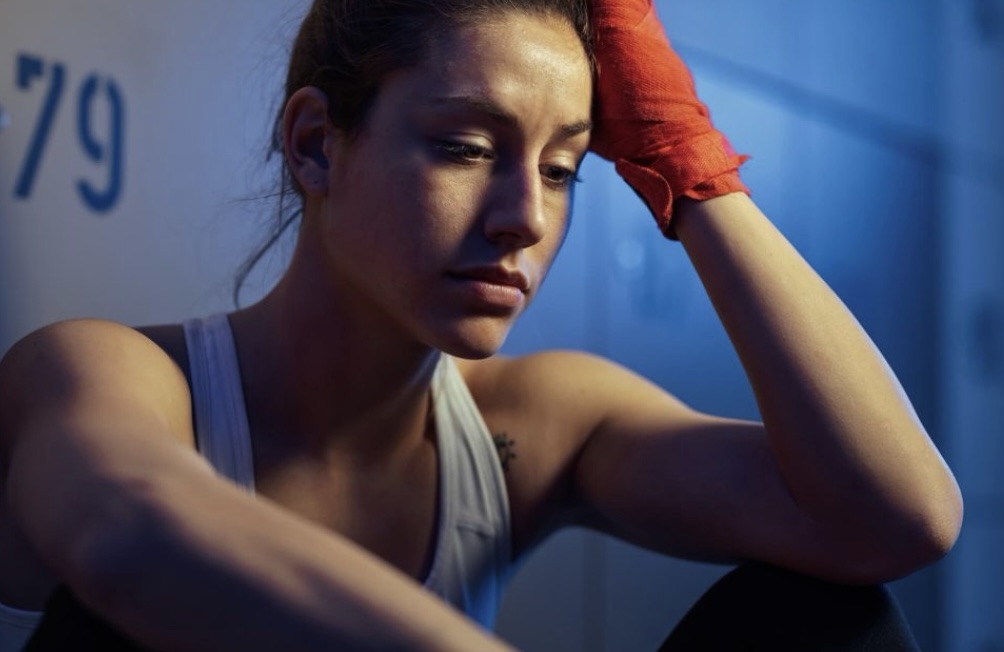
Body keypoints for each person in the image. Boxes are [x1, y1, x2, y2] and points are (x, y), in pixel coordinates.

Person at [0, 0, 963, 649]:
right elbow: (126, 531)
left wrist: (691, 167)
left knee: (830, 619)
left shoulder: (536, 429)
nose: (526, 219)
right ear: (315, 144)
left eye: (561, 169)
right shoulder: (114, 373)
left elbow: (894, 523)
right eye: (466, 147)